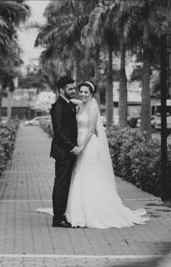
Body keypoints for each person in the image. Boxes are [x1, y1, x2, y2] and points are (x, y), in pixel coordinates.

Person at [42, 80, 148, 229]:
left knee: (86, 176)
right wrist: (49, 100)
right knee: (67, 181)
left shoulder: (90, 107)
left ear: (91, 94)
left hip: (86, 146)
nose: (79, 93)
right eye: (76, 90)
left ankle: (87, 212)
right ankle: (63, 216)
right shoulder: (69, 104)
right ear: (61, 90)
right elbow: (59, 130)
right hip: (69, 149)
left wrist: (80, 147)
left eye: (85, 91)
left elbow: (91, 130)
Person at [48, 76, 78, 228]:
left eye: (74, 88)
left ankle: (61, 215)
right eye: (70, 89)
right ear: (61, 90)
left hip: (67, 152)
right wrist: (73, 148)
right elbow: (58, 133)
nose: (74, 91)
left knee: (64, 185)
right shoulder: (59, 106)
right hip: (63, 153)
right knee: (61, 185)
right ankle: (58, 218)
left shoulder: (68, 104)